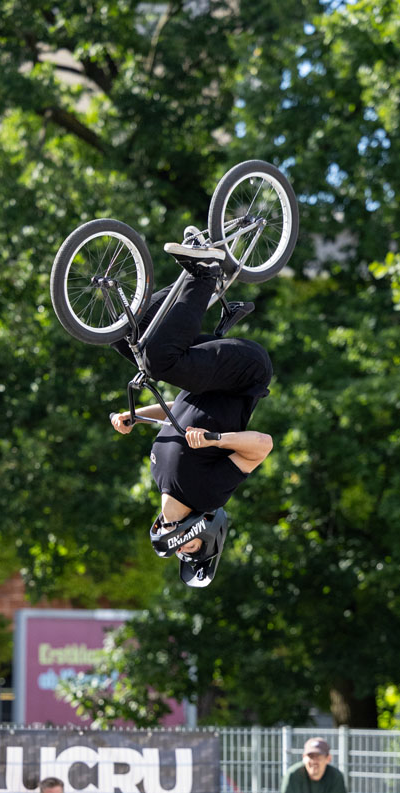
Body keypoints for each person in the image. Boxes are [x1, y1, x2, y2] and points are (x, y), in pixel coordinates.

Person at [110, 239, 273, 587]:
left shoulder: (160, 478)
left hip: (206, 379)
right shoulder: (208, 494)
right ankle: (206, 274)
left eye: (183, 552)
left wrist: (135, 416)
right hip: (244, 374)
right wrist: (216, 440)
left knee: (125, 337)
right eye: (193, 548)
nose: (184, 548)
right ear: (207, 531)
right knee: (159, 360)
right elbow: (262, 445)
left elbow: (177, 411)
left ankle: (192, 274)